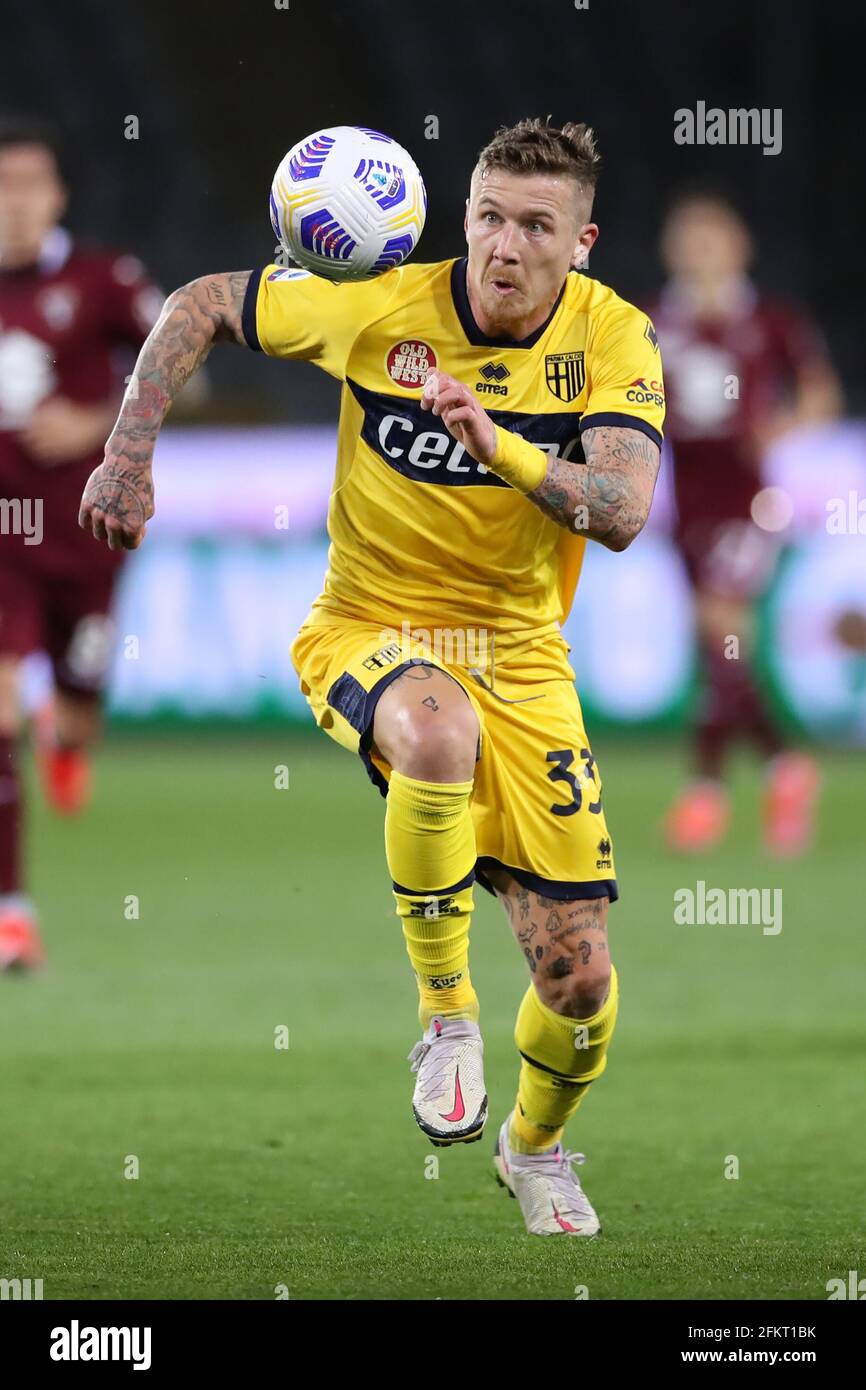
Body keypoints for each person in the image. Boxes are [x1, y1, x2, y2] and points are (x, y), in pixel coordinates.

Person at [79, 118, 665, 1237]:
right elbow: (199, 301)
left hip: (522, 657)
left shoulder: (613, 341)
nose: (503, 243)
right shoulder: (375, 302)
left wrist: (498, 445)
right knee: (434, 736)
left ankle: (533, 1146)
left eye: (534, 225)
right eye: (487, 215)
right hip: (368, 625)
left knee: (579, 981)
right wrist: (127, 451)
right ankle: (445, 1018)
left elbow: (623, 509)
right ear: (463, 220)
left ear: (579, 242)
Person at [0, 116, 162, 969]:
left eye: (31, 184)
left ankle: (62, 731)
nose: (15, 202)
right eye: (3, 184)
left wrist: (100, 421)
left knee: (77, 713)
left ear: (56, 195)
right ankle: (12, 914)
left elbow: (186, 371)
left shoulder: (103, 280)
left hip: (86, 535)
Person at [650, 190, 841, 855]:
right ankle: (779, 771)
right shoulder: (651, 323)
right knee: (720, 649)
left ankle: (708, 792)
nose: (700, 250)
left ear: (739, 247)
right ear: (672, 249)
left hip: (750, 503)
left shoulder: (771, 320)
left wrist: (785, 425)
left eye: (713, 238)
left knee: (719, 625)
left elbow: (819, 388)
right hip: (687, 504)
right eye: (689, 238)